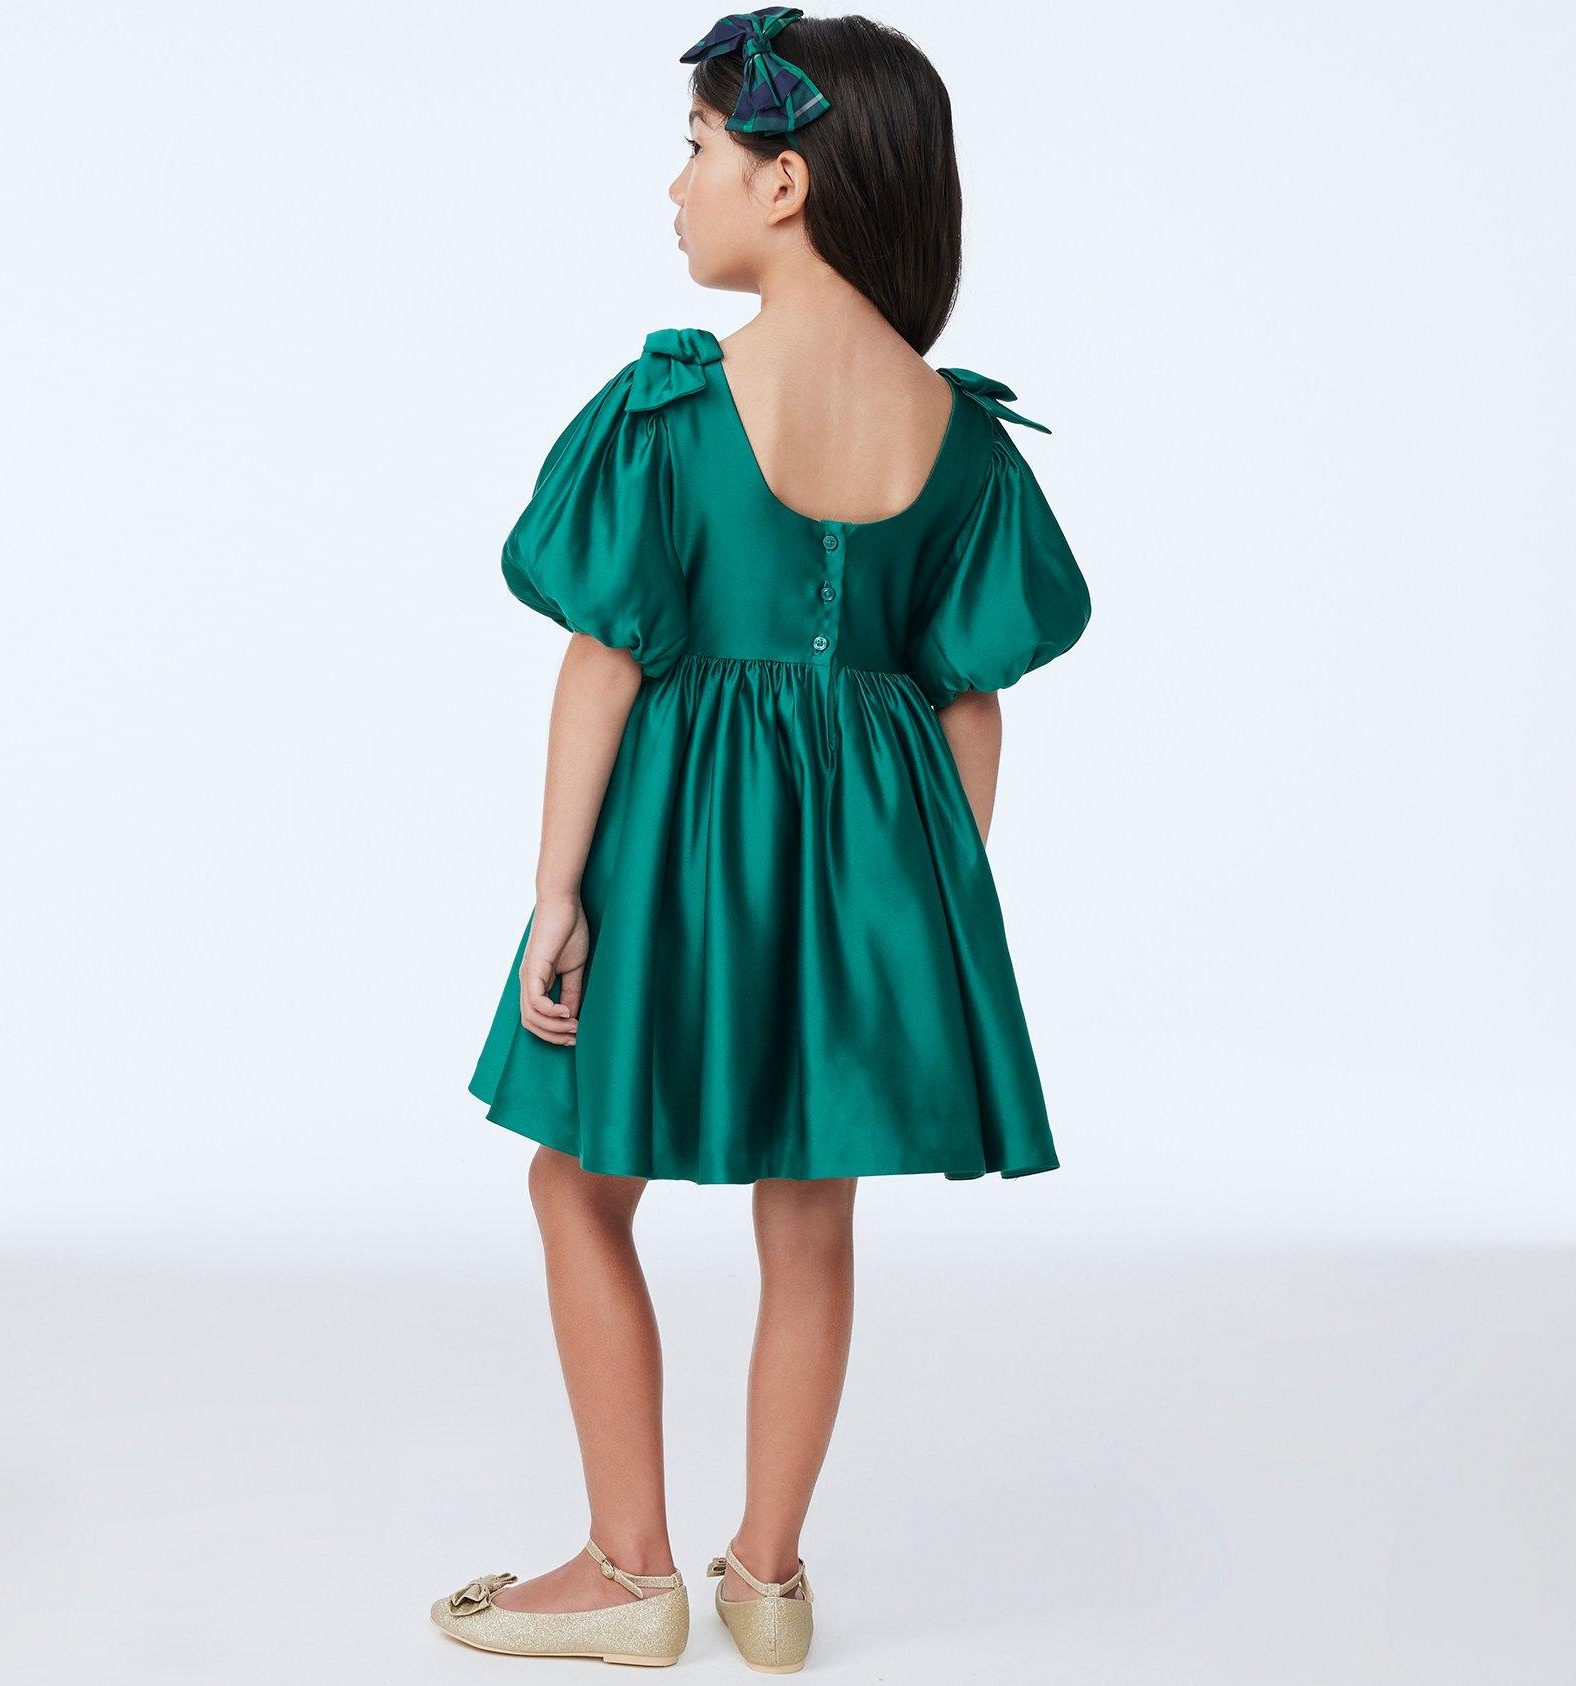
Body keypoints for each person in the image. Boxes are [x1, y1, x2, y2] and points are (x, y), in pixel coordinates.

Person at [433, 8, 1091, 1671]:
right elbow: (968, 700)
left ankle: (627, 1566)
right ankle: (769, 1581)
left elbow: (606, 658)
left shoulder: (672, 406)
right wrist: (925, 902)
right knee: (810, 1216)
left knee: (577, 1178)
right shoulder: (959, 437)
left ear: (783, 181)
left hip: (677, 844)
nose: (676, 188)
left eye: (697, 151)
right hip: (874, 863)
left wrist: (558, 889)